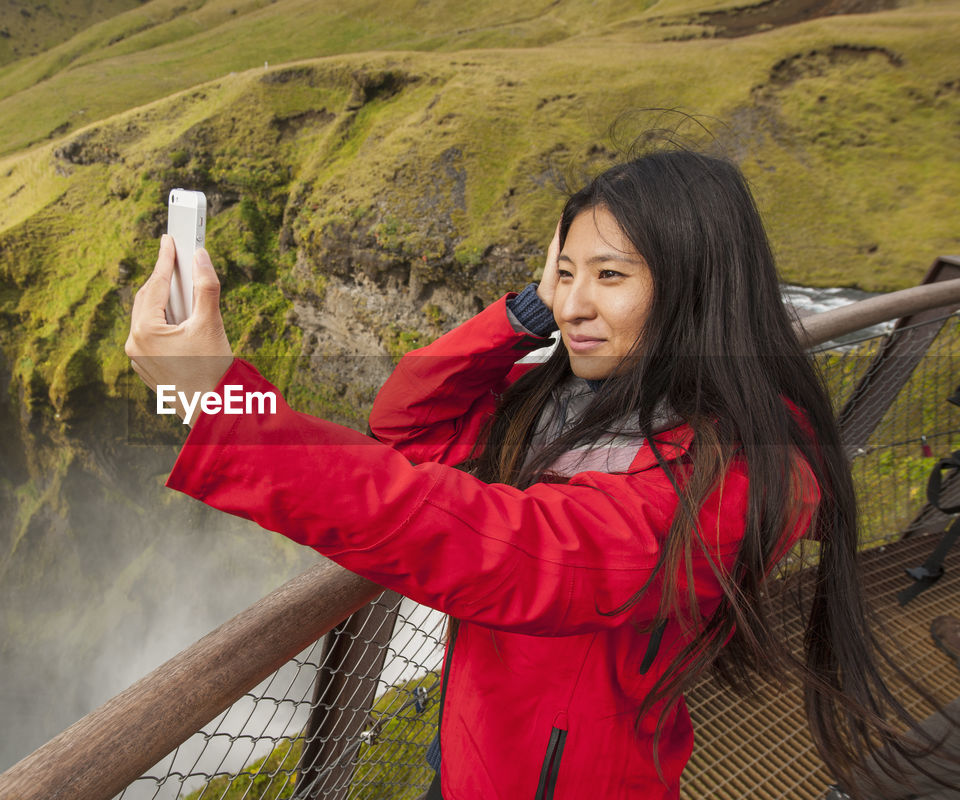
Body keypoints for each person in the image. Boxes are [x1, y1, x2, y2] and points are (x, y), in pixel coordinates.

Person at [125, 149, 949, 798]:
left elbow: (518, 548)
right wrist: (527, 306)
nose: (574, 305)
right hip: (481, 743)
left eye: (611, 275)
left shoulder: (745, 474)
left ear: (697, 291)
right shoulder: (582, 401)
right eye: (566, 272)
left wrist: (219, 403)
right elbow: (409, 424)